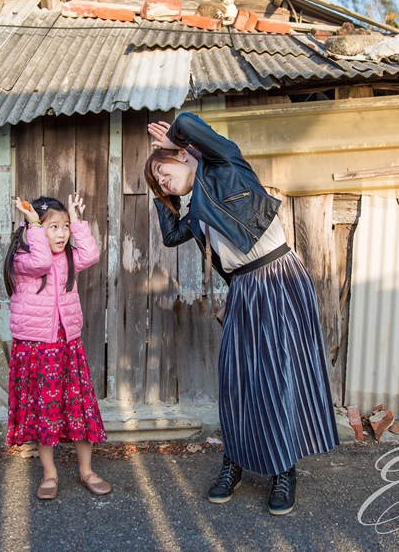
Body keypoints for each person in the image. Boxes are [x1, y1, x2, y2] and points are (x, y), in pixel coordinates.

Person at [144, 112, 339, 516]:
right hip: (243, 289)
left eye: (163, 173)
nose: (163, 183)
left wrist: (177, 140)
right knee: (235, 379)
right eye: (158, 183)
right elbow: (171, 235)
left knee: (277, 374)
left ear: (183, 156)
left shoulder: (227, 166)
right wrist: (165, 198)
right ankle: (233, 462)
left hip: (277, 278)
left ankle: (284, 470)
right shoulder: (197, 211)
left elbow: (188, 122)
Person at [3, 193, 110, 500]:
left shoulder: (68, 257)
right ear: (33, 228)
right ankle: (50, 473)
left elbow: (91, 254)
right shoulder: (22, 259)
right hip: (36, 347)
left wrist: (76, 221)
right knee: (44, 411)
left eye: (64, 227)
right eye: (54, 227)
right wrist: (35, 226)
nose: (62, 234)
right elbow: (41, 262)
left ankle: (86, 470)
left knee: (78, 407)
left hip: (67, 345)